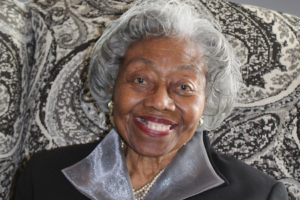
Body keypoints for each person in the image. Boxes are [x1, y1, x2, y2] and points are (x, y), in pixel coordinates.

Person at [14, 1, 288, 200]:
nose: (159, 102)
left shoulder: (259, 195)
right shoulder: (43, 177)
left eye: (183, 86)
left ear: (208, 100)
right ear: (112, 85)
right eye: (141, 80)